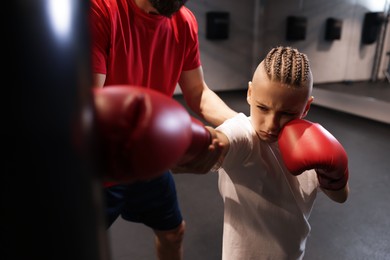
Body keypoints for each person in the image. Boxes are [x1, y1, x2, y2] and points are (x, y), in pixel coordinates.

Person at [89, 0, 237, 259]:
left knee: (173, 232)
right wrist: (171, 139)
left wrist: (242, 125)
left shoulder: (184, 21)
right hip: (100, 169)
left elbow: (198, 92)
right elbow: (90, 107)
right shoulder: (100, 9)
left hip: (149, 162)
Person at [202, 46, 350, 259]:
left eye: (287, 113)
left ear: (306, 107)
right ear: (250, 93)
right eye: (262, 108)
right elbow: (217, 141)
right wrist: (190, 139)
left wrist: (334, 175)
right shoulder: (244, 134)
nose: (271, 125)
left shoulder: (311, 142)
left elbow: (341, 196)